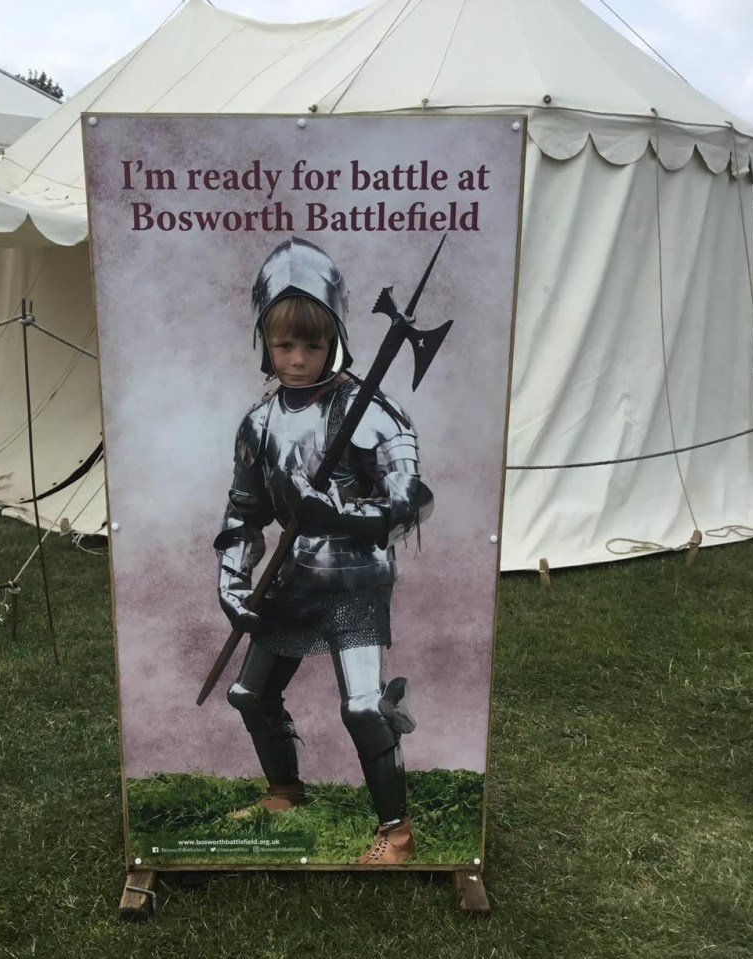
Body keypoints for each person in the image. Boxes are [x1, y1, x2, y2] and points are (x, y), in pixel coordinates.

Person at [214, 237, 434, 865]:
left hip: (356, 580)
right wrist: (232, 578)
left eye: (312, 343)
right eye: (285, 344)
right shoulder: (257, 425)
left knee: (363, 707)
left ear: (335, 336)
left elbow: (411, 501)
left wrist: (338, 512)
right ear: (266, 341)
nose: (298, 358)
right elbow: (244, 512)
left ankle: (397, 831)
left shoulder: (372, 413)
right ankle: (285, 792)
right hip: (291, 576)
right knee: (250, 696)